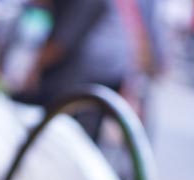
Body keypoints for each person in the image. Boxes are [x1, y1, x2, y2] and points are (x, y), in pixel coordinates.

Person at [16, 0, 137, 139]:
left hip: (75, 81)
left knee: (68, 137)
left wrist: (32, 69)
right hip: (80, 78)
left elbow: (61, 43)